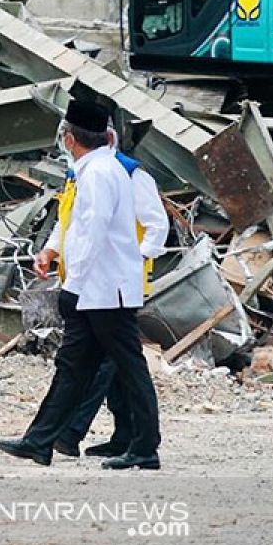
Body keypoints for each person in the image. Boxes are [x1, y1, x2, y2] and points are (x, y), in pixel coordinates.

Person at [0, 100, 162, 470]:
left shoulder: (100, 174)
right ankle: (41, 440)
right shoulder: (92, 170)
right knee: (73, 366)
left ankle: (145, 446)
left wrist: (75, 286)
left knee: (129, 367)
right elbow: (73, 227)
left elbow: (94, 233)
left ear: (70, 138)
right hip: (96, 289)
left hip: (105, 290)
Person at [47, 126, 170, 458]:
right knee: (110, 360)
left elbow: (157, 226)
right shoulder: (81, 175)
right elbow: (70, 222)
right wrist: (51, 251)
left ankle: (71, 434)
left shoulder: (129, 174)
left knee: (107, 361)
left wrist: (133, 257)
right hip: (88, 280)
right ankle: (125, 435)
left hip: (114, 283)